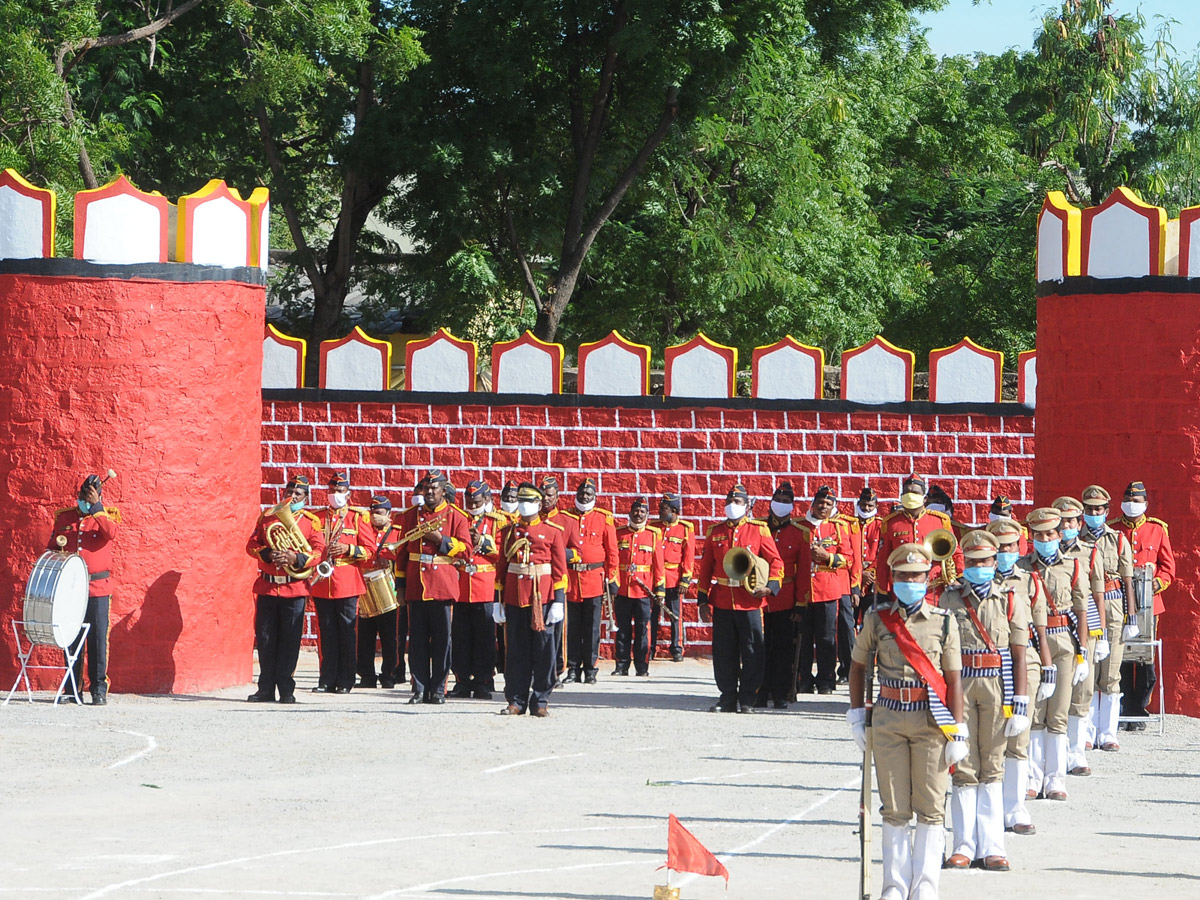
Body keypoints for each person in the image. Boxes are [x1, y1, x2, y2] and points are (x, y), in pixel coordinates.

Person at [848, 542, 966, 900]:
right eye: (901, 576)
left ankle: (926, 886)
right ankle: (895, 886)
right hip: (888, 719)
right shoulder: (876, 619)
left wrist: (958, 730)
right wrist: (856, 716)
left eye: (915, 575)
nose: (908, 581)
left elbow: (954, 677)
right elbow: (857, 667)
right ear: (892, 579)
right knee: (895, 807)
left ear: (927, 578)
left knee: (931, 806)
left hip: (931, 722)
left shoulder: (944, 622)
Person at [939, 531, 1029, 872]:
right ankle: (963, 844)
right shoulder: (949, 598)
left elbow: (1019, 653)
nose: (979, 567)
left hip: (995, 685)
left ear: (995, 562)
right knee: (963, 765)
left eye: (985, 561)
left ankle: (992, 845)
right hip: (960, 685)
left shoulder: (1009, 598)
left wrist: (1020, 700)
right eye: (972, 562)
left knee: (992, 765)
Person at [695, 484, 783, 713]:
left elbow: (776, 562)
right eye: (730, 502)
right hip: (723, 600)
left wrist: (771, 587)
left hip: (750, 601)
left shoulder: (759, 530)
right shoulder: (715, 532)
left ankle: (747, 699)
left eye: (739, 502)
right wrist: (703, 600)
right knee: (724, 652)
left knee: (753, 650)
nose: (733, 506)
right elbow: (705, 569)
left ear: (747, 505)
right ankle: (727, 697)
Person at [1019, 508, 1087, 802]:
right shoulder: (1022, 567)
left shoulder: (1072, 566)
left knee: (1058, 712)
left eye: (1050, 534)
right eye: (1038, 535)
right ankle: (1032, 777)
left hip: (1062, 641)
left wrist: (1082, 652)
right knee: (1035, 713)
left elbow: (1083, 609)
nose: (1044, 539)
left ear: (1060, 535)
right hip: (1033, 641)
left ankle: (1055, 778)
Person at [385, 468, 470, 705]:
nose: (430, 492)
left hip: (442, 585)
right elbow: (402, 555)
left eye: (435, 488)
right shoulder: (410, 515)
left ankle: (438, 689)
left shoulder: (456, 516)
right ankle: (419, 688)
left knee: (443, 642)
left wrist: (440, 540)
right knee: (418, 642)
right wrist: (400, 587)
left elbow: (466, 549)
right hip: (416, 586)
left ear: (444, 490)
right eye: (426, 488)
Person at [988, 518, 1050, 837]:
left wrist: (1048, 667)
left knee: (1019, 738)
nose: (1004, 552)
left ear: (1019, 547)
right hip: (988, 666)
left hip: (1024, 664)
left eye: (1010, 546)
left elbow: (1039, 630)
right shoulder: (977, 582)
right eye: (999, 547)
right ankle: (990, 807)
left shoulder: (1030, 581)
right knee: (991, 739)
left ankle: (1015, 806)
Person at [245, 475, 327, 703]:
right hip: (268, 587)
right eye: (289, 492)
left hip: (294, 588)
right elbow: (251, 545)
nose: (291, 497)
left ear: (306, 497)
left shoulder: (311, 521)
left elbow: (319, 552)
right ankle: (265, 688)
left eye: (297, 494)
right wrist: (269, 554)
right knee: (265, 639)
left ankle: (286, 689)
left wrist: (295, 557)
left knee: (290, 642)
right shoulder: (268, 516)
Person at [495, 482, 568, 716]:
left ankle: (541, 700)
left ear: (538, 504)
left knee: (544, 650)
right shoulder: (509, 532)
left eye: (529, 502)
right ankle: (516, 699)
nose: (524, 506)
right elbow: (502, 568)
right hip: (515, 598)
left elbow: (559, 570)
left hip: (542, 598)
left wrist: (558, 600)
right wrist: (498, 601)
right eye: (521, 501)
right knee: (516, 650)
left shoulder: (552, 531)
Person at [50, 473, 120, 705]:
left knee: (98, 639)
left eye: (89, 495)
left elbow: (110, 534)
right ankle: (72, 689)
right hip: (71, 589)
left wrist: (96, 508)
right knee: (72, 638)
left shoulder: (106, 516)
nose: (84, 499)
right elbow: (53, 547)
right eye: (82, 495)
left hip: (97, 588)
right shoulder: (66, 517)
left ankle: (99, 689)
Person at [1053, 494, 1109, 775]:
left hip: (1086, 628)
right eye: (1061, 523)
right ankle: (1055, 753)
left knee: (1083, 691)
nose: (1066, 527)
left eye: (1071, 521)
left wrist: (1102, 636)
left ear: (1079, 522)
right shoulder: (1043, 554)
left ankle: (1076, 754)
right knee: (1054, 694)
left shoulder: (1090, 551)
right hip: (1057, 628)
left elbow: (1098, 596)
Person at [1112, 480, 1174, 730]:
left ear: (1145, 504)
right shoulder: (1114, 529)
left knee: (1145, 656)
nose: (1131, 505)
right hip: (1120, 602)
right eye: (1128, 500)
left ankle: (1140, 706)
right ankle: (1127, 707)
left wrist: (1154, 585)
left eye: (1136, 501)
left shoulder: (1157, 529)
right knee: (1123, 655)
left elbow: (1168, 569)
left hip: (1150, 605)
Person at [310, 472, 376, 694]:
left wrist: (349, 549)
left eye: (339, 491)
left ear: (348, 493)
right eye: (332, 491)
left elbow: (370, 552)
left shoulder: (357, 518)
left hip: (347, 582)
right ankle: (326, 678)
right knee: (326, 632)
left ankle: (346, 680)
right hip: (322, 581)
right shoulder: (317, 518)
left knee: (347, 633)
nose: (335, 495)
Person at [448, 480, 507, 700]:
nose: (473, 504)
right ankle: (462, 680)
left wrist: (482, 541)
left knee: (484, 637)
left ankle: (484, 680)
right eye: (469, 501)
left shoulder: (497, 522)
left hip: (485, 585)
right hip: (462, 585)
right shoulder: (458, 518)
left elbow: (502, 553)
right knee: (461, 637)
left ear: (487, 500)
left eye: (477, 500)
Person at [794, 486, 854, 695]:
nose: (824, 507)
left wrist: (827, 557)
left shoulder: (838, 528)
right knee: (803, 637)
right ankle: (803, 679)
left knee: (827, 638)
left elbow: (848, 559)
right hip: (803, 590)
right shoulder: (799, 526)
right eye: (821, 502)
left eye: (829, 504)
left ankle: (826, 680)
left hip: (828, 590)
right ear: (813, 503)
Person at [562, 477, 618, 684]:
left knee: (592, 627)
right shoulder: (565, 517)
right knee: (573, 627)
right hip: (571, 579)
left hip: (595, 579)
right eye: (582, 493)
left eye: (589, 494)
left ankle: (591, 669)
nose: (584, 497)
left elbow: (612, 552)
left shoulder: (604, 518)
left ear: (595, 496)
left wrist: (612, 578)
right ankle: (573, 669)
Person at [876, 475, 963, 604]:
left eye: (915, 492)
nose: (910, 495)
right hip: (902, 590)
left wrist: (961, 578)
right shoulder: (891, 523)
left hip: (934, 591)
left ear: (925, 498)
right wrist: (882, 591)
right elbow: (884, 560)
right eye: (906, 492)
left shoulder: (940, 521)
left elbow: (955, 552)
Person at [759, 483, 804, 708]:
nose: (782, 504)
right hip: (757, 597)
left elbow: (803, 572)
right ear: (771, 501)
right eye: (779, 500)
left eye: (787, 502)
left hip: (785, 598)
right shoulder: (757, 527)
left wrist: (800, 605)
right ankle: (759, 689)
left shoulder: (799, 533)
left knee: (783, 648)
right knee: (758, 645)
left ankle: (780, 692)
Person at [612, 497, 665, 677]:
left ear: (647, 515)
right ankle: (621, 665)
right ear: (630, 513)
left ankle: (642, 666)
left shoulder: (653, 535)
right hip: (623, 589)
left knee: (643, 630)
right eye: (635, 511)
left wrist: (660, 590)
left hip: (643, 591)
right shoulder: (619, 534)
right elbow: (613, 561)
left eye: (642, 512)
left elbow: (658, 565)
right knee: (622, 629)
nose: (638, 514)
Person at [357, 496, 401, 689]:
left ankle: (389, 675)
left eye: (380, 513)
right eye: (373, 512)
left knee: (389, 636)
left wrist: (389, 563)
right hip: (365, 586)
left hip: (387, 589)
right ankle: (366, 675)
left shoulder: (397, 533)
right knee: (365, 635)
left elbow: (403, 558)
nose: (375, 516)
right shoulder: (364, 529)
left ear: (389, 514)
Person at [652, 492, 694, 662]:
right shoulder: (654, 527)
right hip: (655, 578)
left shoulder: (685, 528)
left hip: (674, 578)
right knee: (651, 615)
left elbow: (689, 556)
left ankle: (676, 648)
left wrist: (685, 579)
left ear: (674, 510)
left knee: (675, 615)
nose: (660, 512)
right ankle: (650, 647)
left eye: (664, 509)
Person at [538, 475, 569, 686]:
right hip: (536, 583)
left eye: (549, 496)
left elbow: (578, 551)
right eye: (542, 496)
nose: (545, 499)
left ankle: (557, 671)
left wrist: (559, 553)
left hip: (557, 582)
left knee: (557, 631)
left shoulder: (566, 521)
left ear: (557, 497)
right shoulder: (531, 518)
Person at [854, 485, 883, 616]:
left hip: (873, 583)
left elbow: (883, 552)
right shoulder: (850, 524)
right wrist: (860, 574)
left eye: (870, 506)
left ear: (876, 506)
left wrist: (870, 573)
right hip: (853, 580)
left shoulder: (881, 525)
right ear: (858, 503)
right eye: (864, 505)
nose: (866, 508)